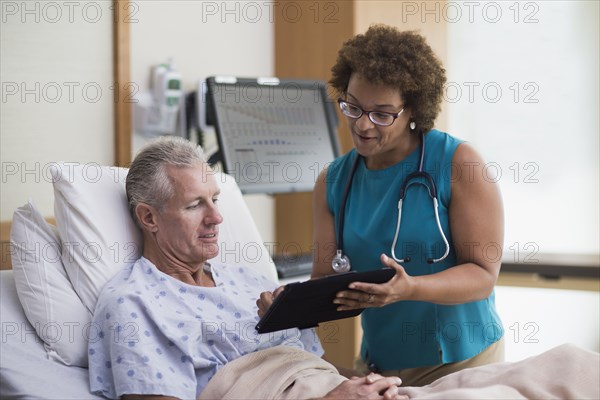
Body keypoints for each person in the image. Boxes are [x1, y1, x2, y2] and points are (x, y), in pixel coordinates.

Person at [88, 136, 405, 399]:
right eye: (195, 204)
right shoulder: (133, 304)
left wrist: (373, 384)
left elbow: (313, 368)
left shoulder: (250, 281)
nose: (216, 217)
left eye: (214, 199)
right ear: (149, 218)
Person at [310, 25, 505, 386]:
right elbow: (325, 281)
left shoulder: (458, 163)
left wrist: (410, 288)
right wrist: (286, 305)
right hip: (379, 367)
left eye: (382, 113)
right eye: (352, 107)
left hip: (463, 363)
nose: (362, 124)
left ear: (413, 107)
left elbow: (482, 273)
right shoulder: (333, 180)